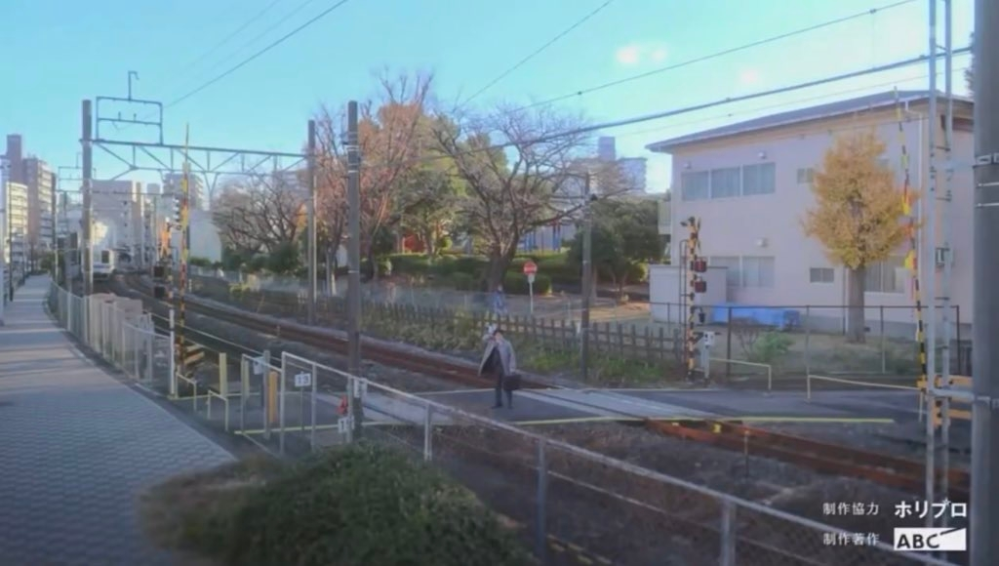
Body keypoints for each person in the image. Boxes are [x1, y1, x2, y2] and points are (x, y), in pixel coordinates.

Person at [478, 325, 517, 409]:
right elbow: (484, 339)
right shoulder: (492, 343)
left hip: (505, 367)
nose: (499, 336)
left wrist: (512, 368)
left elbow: (512, 356)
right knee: (497, 386)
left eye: (500, 335)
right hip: (496, 368)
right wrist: (491, 334)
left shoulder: (507, 344)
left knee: (507, 386)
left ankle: (510, 403)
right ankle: (498, 402)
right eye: (497, 335)